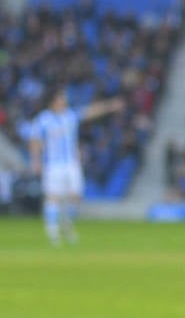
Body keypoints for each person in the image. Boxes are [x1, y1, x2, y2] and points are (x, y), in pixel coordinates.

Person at [25, 87, 123, 245]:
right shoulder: (43, 119)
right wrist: (35, 161)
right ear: (52, 101)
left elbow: (90, 111)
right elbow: (34, 141)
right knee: (53, 197)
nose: (63, 101)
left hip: (71, 163)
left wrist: (111, 105)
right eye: (60, 98)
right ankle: (53, 231)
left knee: (75, 196)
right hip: (53, 164)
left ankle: (66, 223)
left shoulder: (70, 116)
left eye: (63, 98)